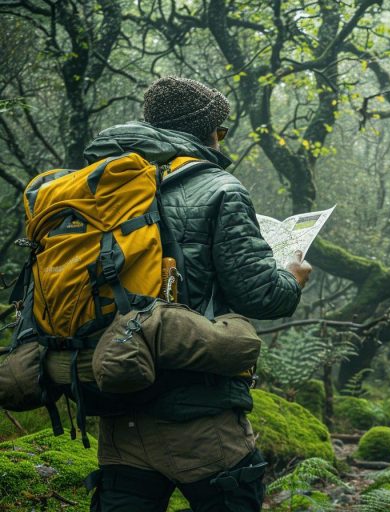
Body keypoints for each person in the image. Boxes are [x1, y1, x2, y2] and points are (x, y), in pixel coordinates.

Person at [82, 76, 312, 511]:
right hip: (198, 411)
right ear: (202, 130)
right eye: (220, 130)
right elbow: (262, 297)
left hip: (117, 396)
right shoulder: (218, 188)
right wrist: (292, 277)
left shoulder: (99, 184)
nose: (221, 139)